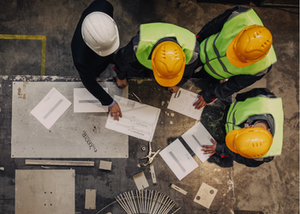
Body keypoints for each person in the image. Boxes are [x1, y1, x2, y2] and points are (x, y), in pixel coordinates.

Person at [193, 6, 277, 110]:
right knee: (187, 66)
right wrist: (194, 45)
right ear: (240, 35)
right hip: (203, 49)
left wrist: (208, 95)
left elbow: (233, 85)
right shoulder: (238, 17)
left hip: (215, 73)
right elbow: (211, 27)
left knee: (200, 80)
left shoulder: (262, 67)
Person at [201, 88, 284, 167]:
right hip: (228, 110)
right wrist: (240, 97)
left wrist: (221, 148)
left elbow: (240, 157)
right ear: (250, 126)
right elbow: (252, 93)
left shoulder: (259, 156)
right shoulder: (265, 99)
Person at [71, 0, 122, 121]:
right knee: (95, 74)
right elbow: (89, 82)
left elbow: (110, 54)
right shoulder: (82, 59)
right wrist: (110, 103)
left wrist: (121, 72)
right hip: (91, 62)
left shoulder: (104, 6)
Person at [113, 22, 200, 91]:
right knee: (133, 73)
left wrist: (178, 83)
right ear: (152, 60)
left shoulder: (192, 51)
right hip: (138, 61)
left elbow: (188, 71)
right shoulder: (138, 45)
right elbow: (122, 60)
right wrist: (121, 77)